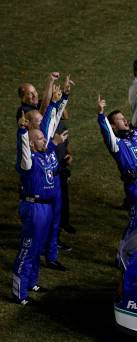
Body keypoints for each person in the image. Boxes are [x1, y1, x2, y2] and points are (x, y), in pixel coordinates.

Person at [12, 95, 69, 305]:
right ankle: (18, 293)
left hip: (46, 208)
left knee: (38, 248)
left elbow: (49, 123)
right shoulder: (28, 161)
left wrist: (58, 102)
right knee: (27, 249)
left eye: (43, 138)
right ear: (31, 144)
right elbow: (24, 149)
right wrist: (22, 132)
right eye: (39, 139)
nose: (44, 140)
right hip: (34, 207)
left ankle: (32, 282)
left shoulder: (46, 153)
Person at [97, 56, 137, 237]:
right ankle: (123, 256)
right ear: (113, 126)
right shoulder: (117, 144)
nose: (125, 120)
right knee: (136, 223)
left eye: (124, 117)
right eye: (120, 120)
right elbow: (106, 134)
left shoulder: (136, 136)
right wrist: (101, 116)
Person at [24, 80, 72, 271]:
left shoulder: (44, 136)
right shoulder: (28, 146)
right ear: (29, 125)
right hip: (38, 194)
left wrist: (62, 99)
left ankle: (51, 256)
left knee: (55, 222)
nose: (42, 121)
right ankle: (35, 257)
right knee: (38, 231)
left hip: (54, 186)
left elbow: (54, 117)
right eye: (38, 120)